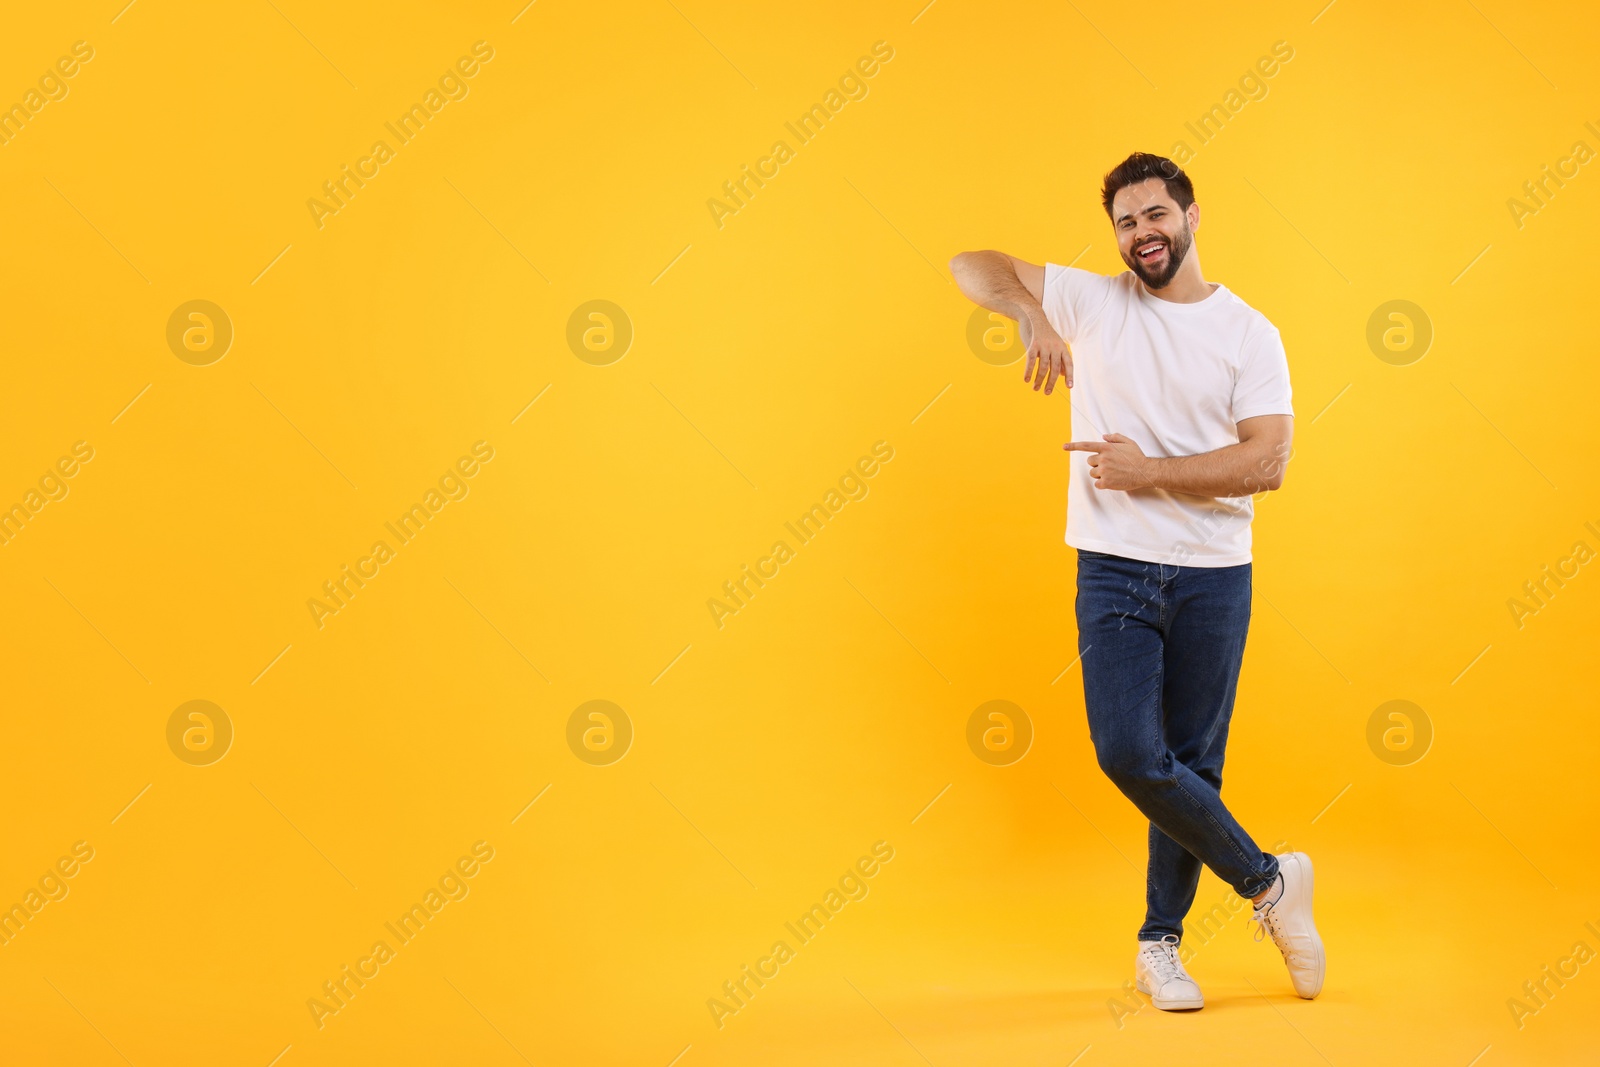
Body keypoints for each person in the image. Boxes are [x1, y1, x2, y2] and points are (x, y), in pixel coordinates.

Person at [950, 152, 1324, 1009]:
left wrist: (1148, 471)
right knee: (1129, 751)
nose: (1141, 234)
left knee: (1193, 762)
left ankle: (1161, 943)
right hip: (1113, 569)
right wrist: (1029, 314)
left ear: (1192, 216)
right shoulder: (1092, 300)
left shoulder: (1248, 333)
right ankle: (1271, 884)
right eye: (1125, 222)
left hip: (1214, 576)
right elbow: (969, 265)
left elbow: (1268, 461)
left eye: (1155, 215)